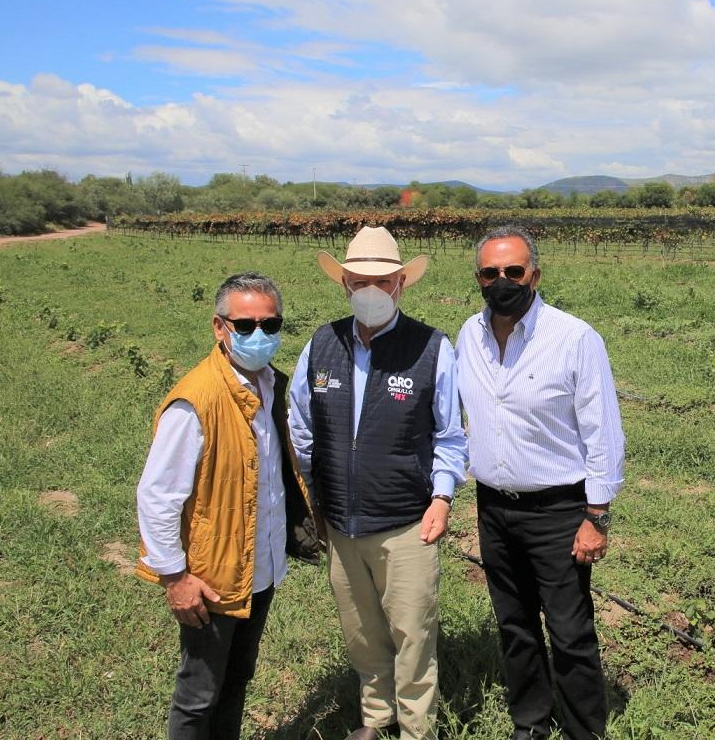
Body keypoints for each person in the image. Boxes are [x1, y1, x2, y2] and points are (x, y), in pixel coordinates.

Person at [288, 226, 468, 740]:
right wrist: (309, 499)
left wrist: (442, 497)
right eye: (358, 280)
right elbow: (300, 426)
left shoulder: (431, 348)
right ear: (343, 282)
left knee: (412, 633)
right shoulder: (322, 344)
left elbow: (450, 435)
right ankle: (375, 718)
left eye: (382, 281)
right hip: (340, 523)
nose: (370, 289)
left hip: (407, 521)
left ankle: (415, 729)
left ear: (400, 285)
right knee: (362, 631)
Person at [454, 226, 626, 740]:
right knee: (515, 624)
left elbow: (603, 432)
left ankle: (583, 730)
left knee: (570, 630)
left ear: (535, 274)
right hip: (492, 508)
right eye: (491, 272)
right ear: (478, 278)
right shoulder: (469, 336)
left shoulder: (574, 338)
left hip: (558, 511)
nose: (502, 280)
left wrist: (595, 517)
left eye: (514, 271)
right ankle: (529, 722)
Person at [136, 272, 318, 740]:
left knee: (236, 680)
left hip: (259, 567)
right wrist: (175, 578)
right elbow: (157, 495)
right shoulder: (196, 400)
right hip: (212, 578)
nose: (259, 336)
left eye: (271, 325)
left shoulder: (272, 386)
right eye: (245, 326)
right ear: (220, 327)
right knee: (198, 694)